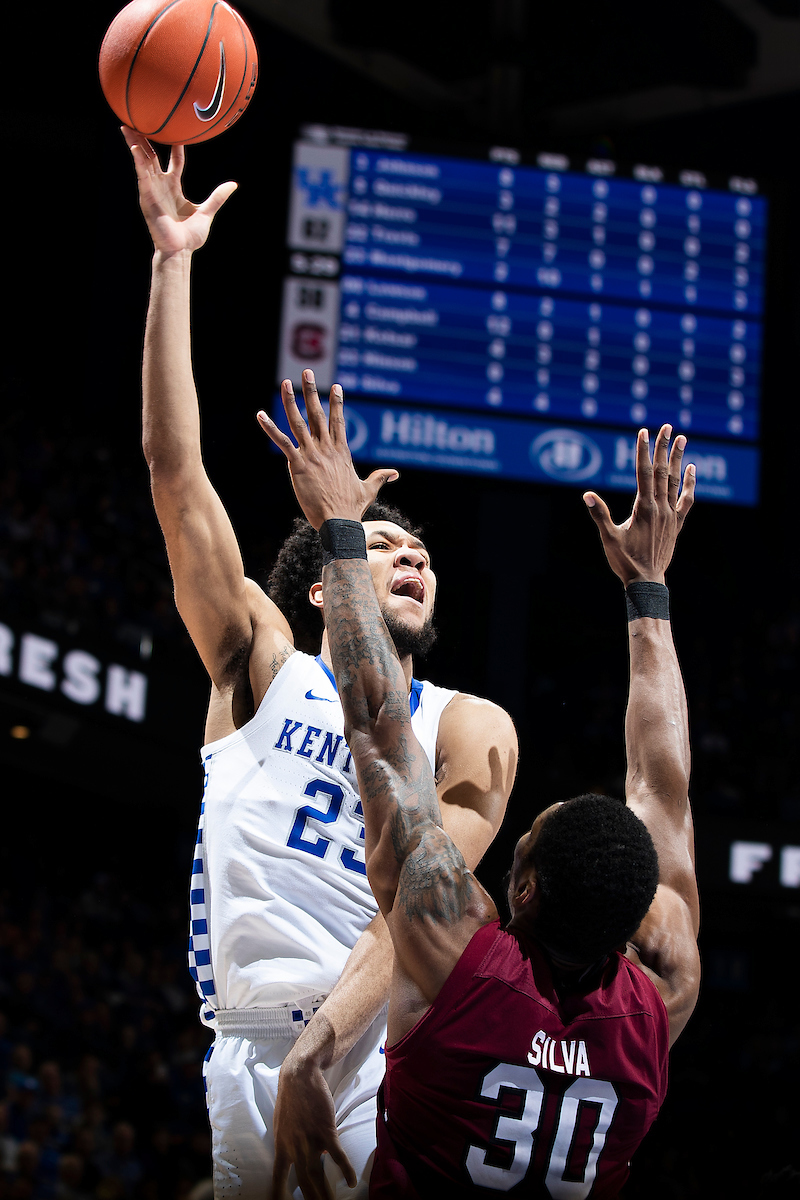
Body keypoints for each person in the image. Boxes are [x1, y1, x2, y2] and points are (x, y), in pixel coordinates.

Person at [122, 130, 518, 1200]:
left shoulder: (466, 725)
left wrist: (328, 1044)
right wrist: (173, 260)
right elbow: (173, 468)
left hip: (370, 1034)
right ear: (320, 584)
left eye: (420, 551)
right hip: (247, 1034)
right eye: (383, 544)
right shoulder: (259, 657)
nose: (414, 555)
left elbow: (423, 913)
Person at [260, 382, 700, 1198]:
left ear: (521, 886)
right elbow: (664, 789)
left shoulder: (455, 950)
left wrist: (340, 534)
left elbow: (382, 731)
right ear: (636, 919)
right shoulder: (659, 1002)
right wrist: (648, 595)